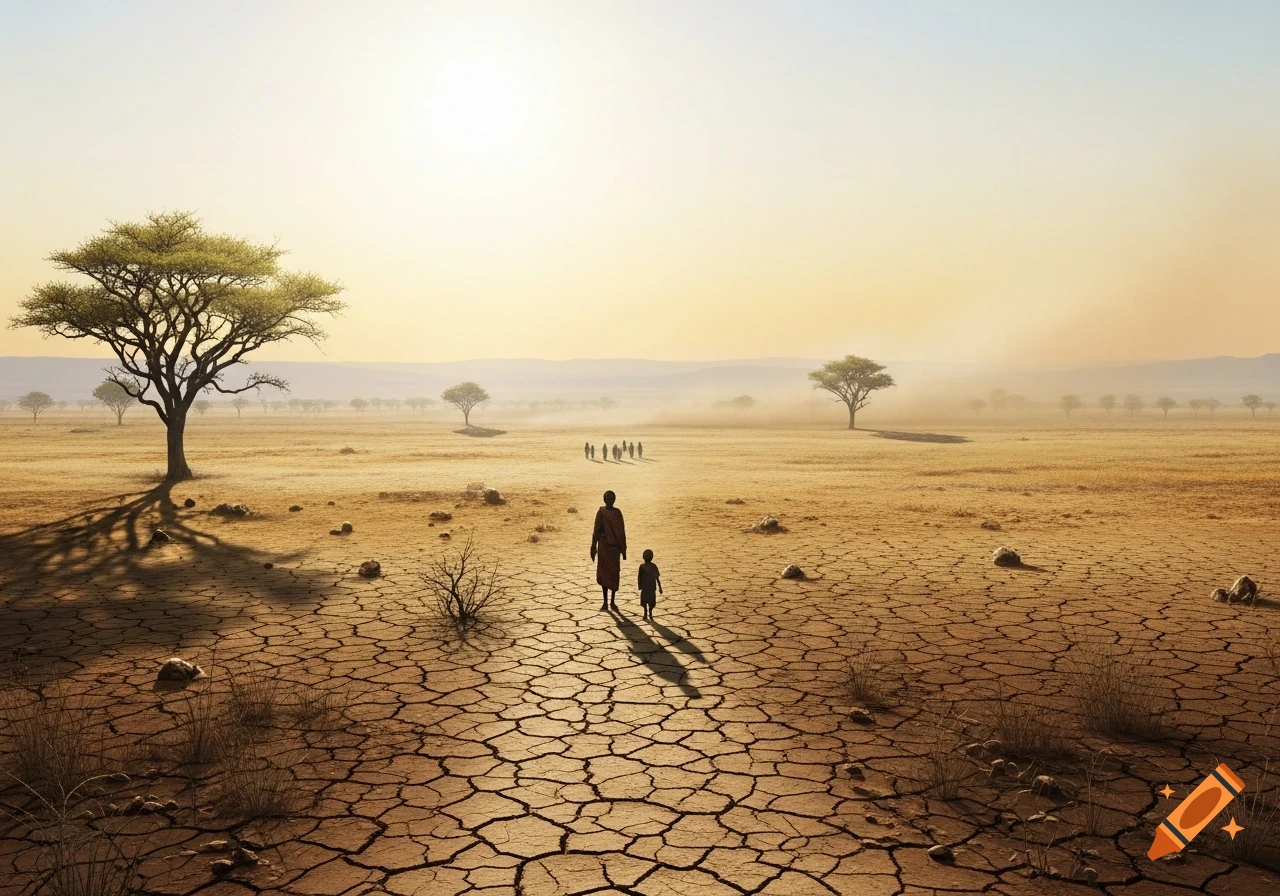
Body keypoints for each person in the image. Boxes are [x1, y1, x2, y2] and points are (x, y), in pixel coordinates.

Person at [590, 491, 626, 610]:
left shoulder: (617, 513)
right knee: (605, 574)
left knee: (614, 574)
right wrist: (593, 546)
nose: (610, 499)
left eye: (611, 497)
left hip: (615, 548)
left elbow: (621, 532)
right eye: (608, 497)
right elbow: (596, 531)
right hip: (604, 546)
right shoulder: (601, 513)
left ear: (614, 499)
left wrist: (623, 549)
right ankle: (605, 602)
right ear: (604, 499)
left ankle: (612, 601)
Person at [637, 549, 661, 619]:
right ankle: (648, 613)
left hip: (646, 587)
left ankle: (646, 613)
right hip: (651, 587)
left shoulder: (642, 566)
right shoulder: (653, 566)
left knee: (646, 600)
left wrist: (639, 585)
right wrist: (660, 588)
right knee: (650, 601)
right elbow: (657, 578)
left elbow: (639, 577)